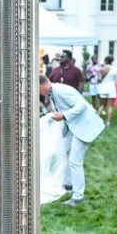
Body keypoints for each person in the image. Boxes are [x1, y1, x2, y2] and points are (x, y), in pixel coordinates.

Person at [39, 75, 104, 206]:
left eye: (38, 90)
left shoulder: (61, 90)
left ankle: (78, 196)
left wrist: (63, 115)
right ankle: (68, 184)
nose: (38, 93)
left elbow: (82, 106)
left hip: (84, 126)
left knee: (75, 161)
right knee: (63, 151)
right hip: (72, 126)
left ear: (42, 86)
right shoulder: (52, 93)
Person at [97, 56, 117, 125]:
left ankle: (97, 120)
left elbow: (99, 79)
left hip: (103, 87)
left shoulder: (102, 69)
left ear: (105, 61)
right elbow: (116, 80)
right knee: (110, 106)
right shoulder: (115, 69)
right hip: (111, 88)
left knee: (102, 105)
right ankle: (108, 122)